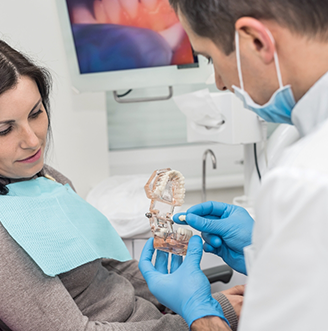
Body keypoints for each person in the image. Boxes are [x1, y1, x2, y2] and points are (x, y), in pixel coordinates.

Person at [0, 34, 242, 331]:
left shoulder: (44, 178)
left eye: (35, 114)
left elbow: (112, 268)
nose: (32, 139)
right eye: (4, 130)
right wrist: (206, 317)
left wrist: (198, 302)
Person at [138, 0, 328, 330]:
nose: (220, 82)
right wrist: (265, 251)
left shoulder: (303, 176)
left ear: (256, 41)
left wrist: (200, 314)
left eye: (211, 58)